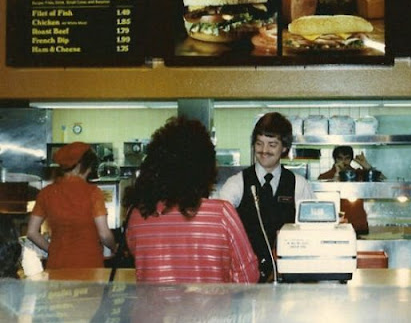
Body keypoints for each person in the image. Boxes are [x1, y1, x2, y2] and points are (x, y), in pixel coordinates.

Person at [124, 116, 259, 283]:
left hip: (153, 309)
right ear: (205, 165)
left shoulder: (138, 215)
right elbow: (248, 276)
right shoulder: (222, 214)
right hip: (211, 309)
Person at [218, 112, 315, 282]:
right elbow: (219, 227)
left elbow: (311, 233)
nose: (264, 151)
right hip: (246, 280)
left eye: (272, 145)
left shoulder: (299, 185)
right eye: (259, 144)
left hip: (289, 279)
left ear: (284, 147)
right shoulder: (237, 184)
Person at [26, 142, 116, 269]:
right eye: (90, 167)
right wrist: (114, 247)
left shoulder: (46, 193)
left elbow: (31, 232)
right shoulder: (93, 192)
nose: (90, 170)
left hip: (57, 265)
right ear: (82, 166)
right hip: (89, 264)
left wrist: (52, 250)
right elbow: (104, 234)